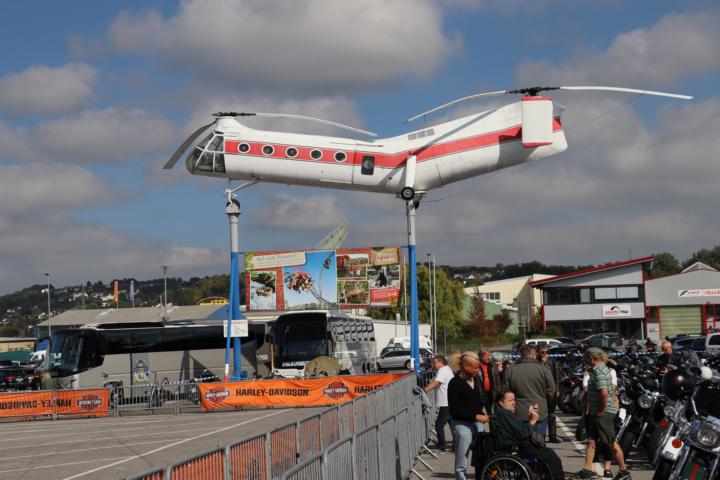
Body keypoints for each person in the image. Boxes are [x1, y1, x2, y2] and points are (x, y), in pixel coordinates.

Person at [578, 348, 630, 480]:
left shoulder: (599, 371)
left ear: (592, 358)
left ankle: (624, 471)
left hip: (603, 412)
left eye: (586, 358)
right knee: (591, 441)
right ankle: (587, 470)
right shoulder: (599, 369)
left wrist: (601, 410)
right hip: (595, 411)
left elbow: (604, 393)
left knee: (611, 443)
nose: (585, 360)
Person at [493, 389, 568, 480]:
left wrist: (530, 418)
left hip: (516, 445)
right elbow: (522, 433)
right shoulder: (504, 414)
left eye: (514, 400)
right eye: (510, 401)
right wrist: (532, 420)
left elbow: (519, 429)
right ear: (501, 402)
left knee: (547, 454)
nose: (514, 403)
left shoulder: (504, 413)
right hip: (514, 448)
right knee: (550, 456)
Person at [448, 352, 490, 480]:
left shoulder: (475, 380)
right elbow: (455, 410)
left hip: (475, 422)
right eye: (475, 368)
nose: (477, 370)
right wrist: (476, 417)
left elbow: (478, 403)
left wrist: (483, 414)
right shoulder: (455, 383)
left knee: (482, 452)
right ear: (466, 367)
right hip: (460, 423)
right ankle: (461, 476)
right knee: (464, 440)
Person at [506, 344, 555, 439]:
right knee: (539, 442)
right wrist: (550, 408)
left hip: (519, 412)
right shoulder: (543, 369)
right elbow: (551, 391)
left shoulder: (510, 370)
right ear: (534, 355)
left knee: (522, 442)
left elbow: (505, 393)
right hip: (539, 411)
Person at [424, 355, 455, 451]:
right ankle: (455, 445)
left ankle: (442, 447)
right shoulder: (446, 369)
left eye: (434, 363)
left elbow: (436, 382)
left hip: (446, 403)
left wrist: (424, 390)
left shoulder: (443, 370)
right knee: (452, 425)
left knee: (439, 425)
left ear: (441, 362)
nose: (432, 365)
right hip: (448, 402)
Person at [537, 342, 563, 443]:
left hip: (551, 391)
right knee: (540, 414)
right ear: (538, 352)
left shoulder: (552, 362)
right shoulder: (536, 362)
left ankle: (553, 436)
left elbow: (557, 376)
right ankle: (540, 437)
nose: (544, 354)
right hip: (539, 391)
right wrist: (542, 364)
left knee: (551, 414)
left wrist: (557, 389)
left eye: (546, 352)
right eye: (542, 352)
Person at [477, 348, 495, 414]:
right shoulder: (476, 366)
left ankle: (491, 420)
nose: (489, 357)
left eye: (490, 356)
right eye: (487, 356)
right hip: (479, 393)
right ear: (481, 356)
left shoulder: (492, 366)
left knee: (490, 413)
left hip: (489, 393)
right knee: (478, 412)